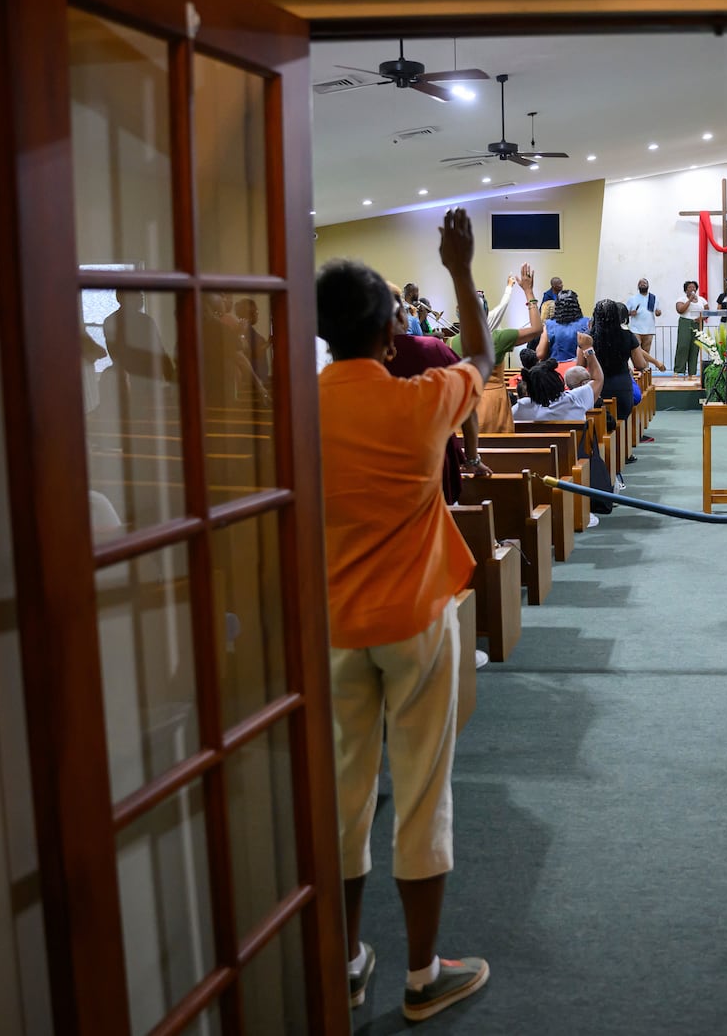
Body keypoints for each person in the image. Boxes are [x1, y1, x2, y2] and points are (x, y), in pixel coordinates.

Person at [316, 207, 493, 1022]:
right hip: (415, 617)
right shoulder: (420, 401)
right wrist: (459, 271)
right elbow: (482, 358)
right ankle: (423, 977)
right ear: (392, 331)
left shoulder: (297, 409)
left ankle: (347, 959)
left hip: (331, 624)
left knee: (347, 795)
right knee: (422, 793)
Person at [385, 286, 492, 504]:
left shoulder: (364, 357)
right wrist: (472, 458)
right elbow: (469, 404)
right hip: (432, 457)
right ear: (401, 316)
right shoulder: (433, 348)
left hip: (380, 464)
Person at [473, 266, 545, 434]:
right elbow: (536, 328)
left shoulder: (452, 342)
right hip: (493, 404)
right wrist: (528, 291)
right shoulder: (497, 338)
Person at [591, 298, 652, 457]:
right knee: (620, 420)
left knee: (599, 420)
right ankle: (623, 454)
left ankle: (602, 455)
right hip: (621, 386)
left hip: (598, 388)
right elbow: (640, 363)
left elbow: (580, 364)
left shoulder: (589, 337)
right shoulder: (627, 335)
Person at [515, 348, 603, 421]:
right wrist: (588, 349)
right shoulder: (574, 398)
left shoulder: (522, 406)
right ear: (557, 381)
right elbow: (598, 380)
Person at [536, 289, 592, 373]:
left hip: (556, 370)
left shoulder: (549, 325)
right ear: (576, 305)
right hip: (580, 371)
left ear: (557, 306)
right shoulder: (587, 322)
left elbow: (540, 354)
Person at [673, 280, 708, 377]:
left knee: (695, 347)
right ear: (685, 290)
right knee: (683, 346)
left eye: (694, 287)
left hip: (697, 324)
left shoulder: (702, 300)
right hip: (685, 322)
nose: (692, 289)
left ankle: (692, 372)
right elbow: (680, 310)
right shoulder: (681, 299)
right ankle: (679, 370)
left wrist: (701, 318)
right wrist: (689, 300)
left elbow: (707, 311)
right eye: (689, 287)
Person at [625, 277, 661, 362]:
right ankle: (637, 371)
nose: (642, 284)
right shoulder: (632, 299)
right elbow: (624, 313)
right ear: (638, 286)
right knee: (636, 351)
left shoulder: (654, 298)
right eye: (640, 283)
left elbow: (658, 312)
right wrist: (630, 313)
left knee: (646, 352)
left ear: (648, 285)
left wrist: (658, 313)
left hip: (649, 329)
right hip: (636, 329)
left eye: (644, 283)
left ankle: (645, 372)